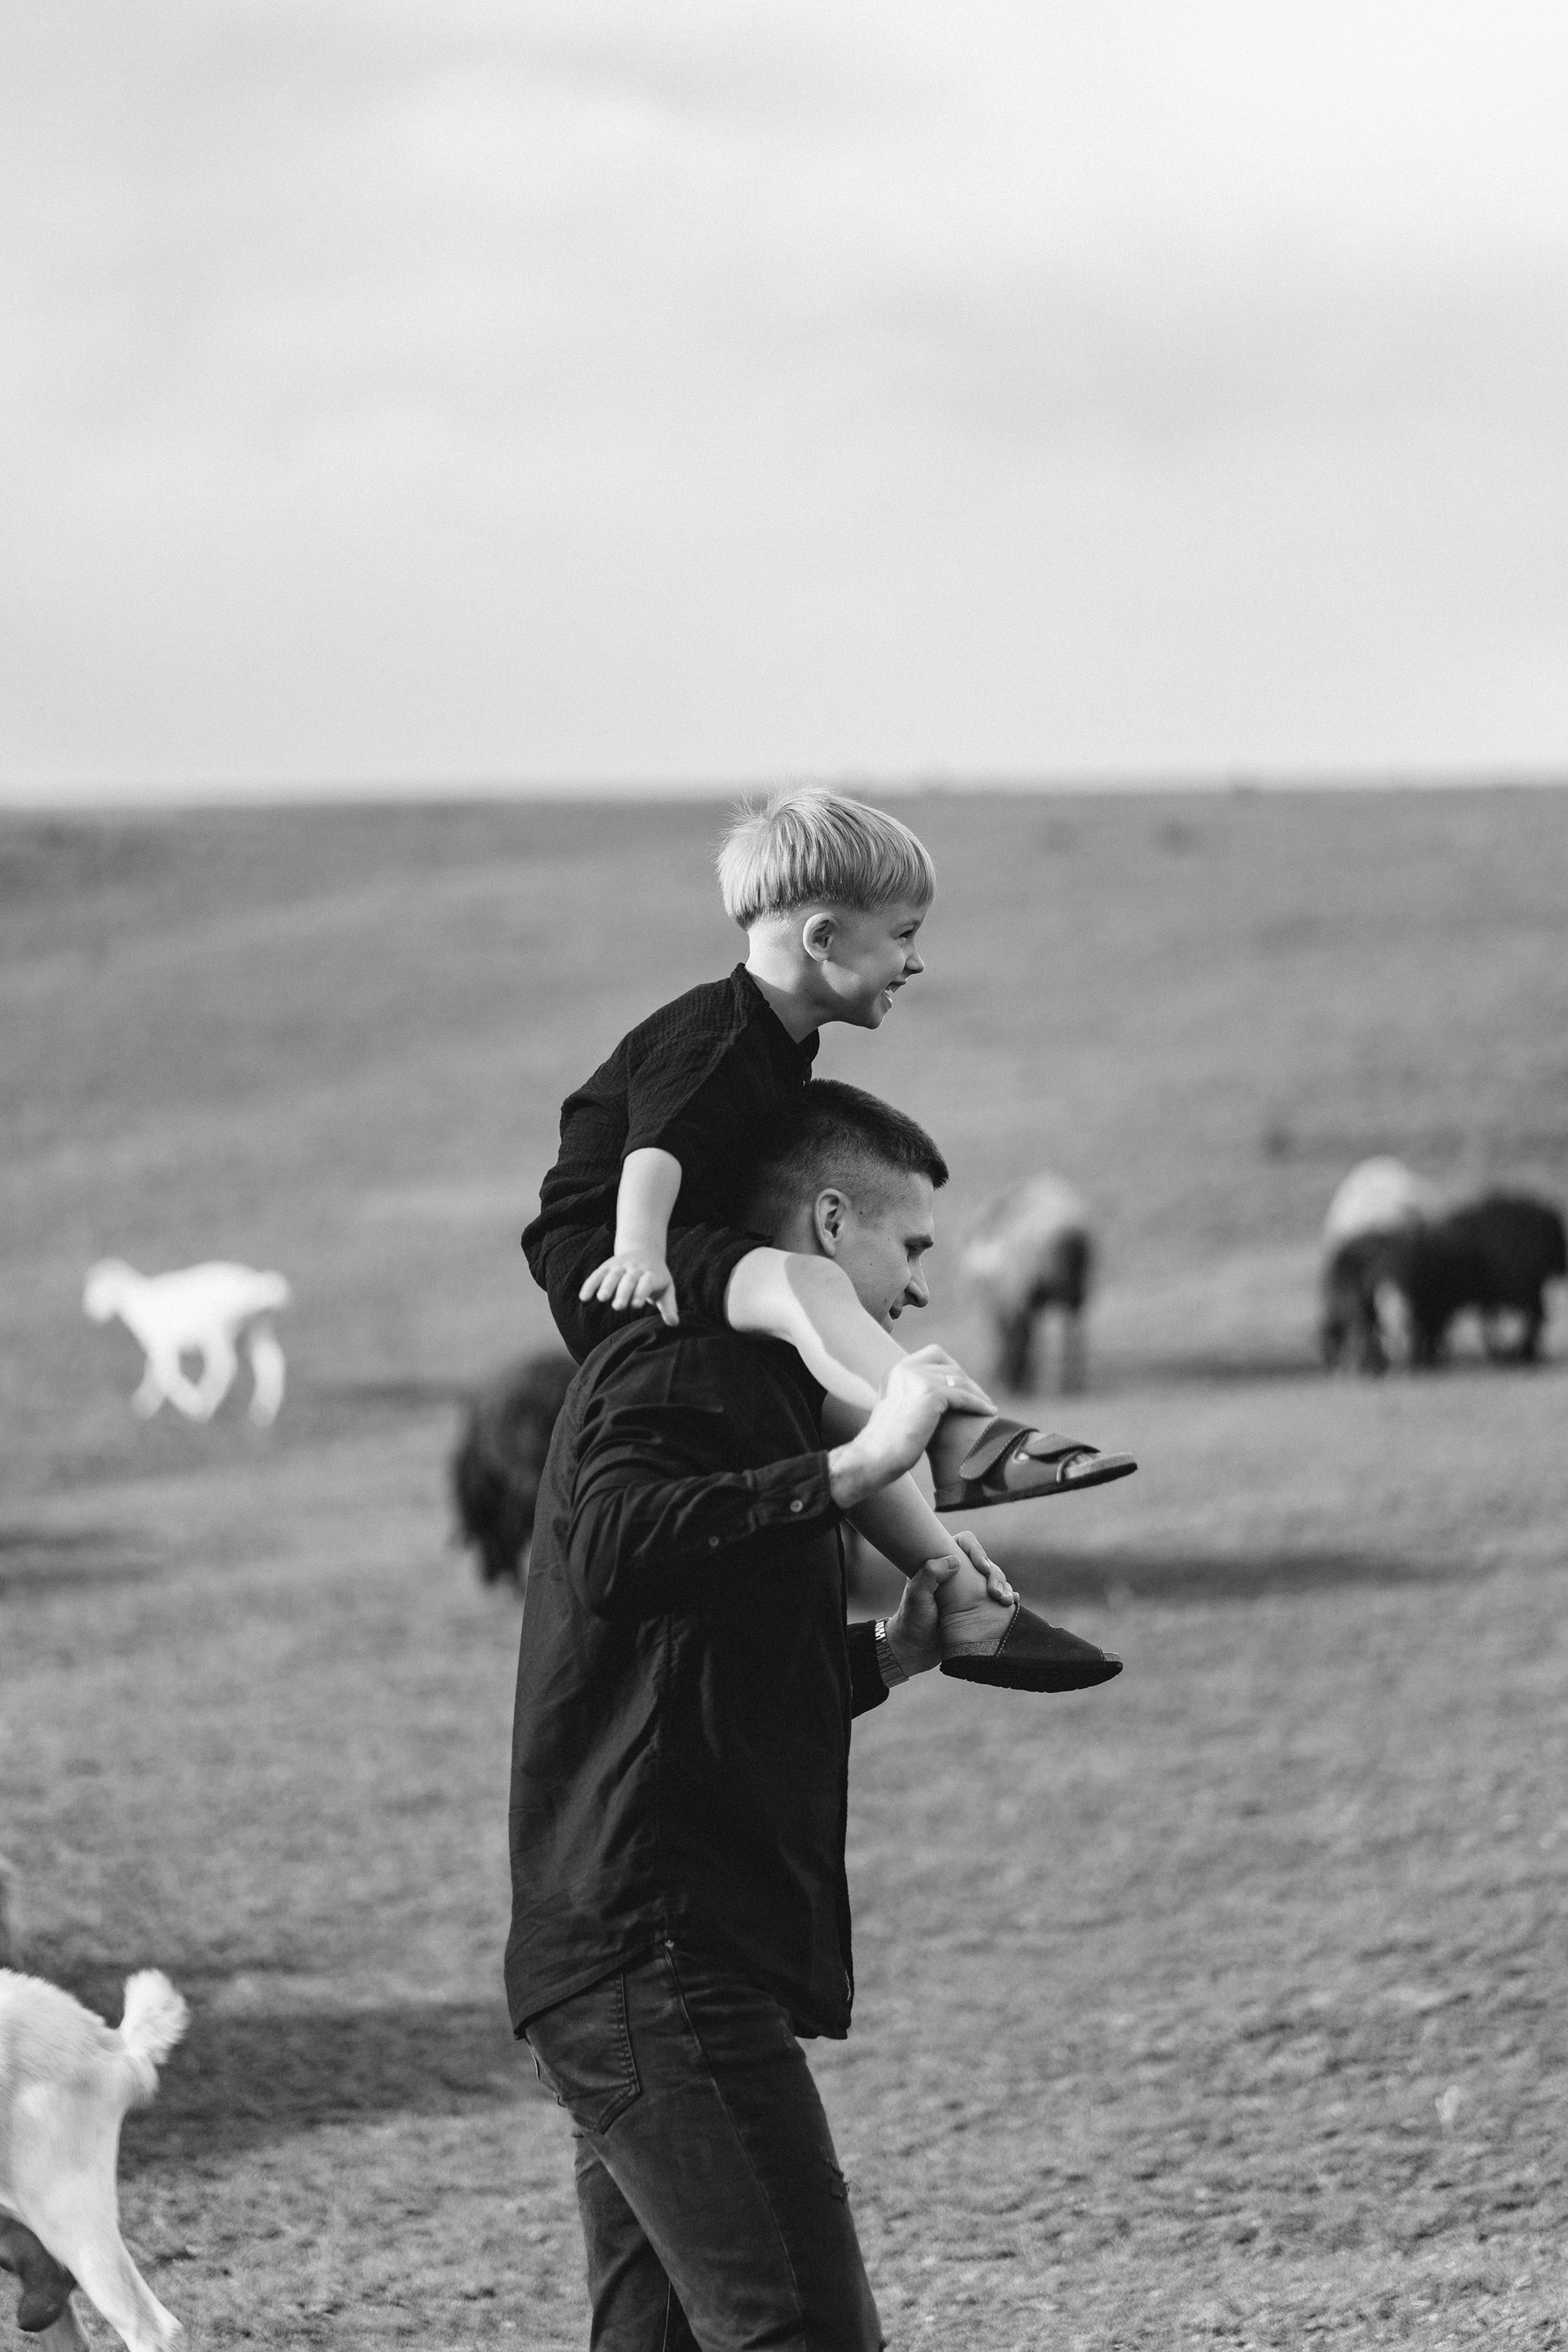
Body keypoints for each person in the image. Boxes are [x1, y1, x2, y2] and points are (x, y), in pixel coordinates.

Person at [506, 1082, 1122, 2351]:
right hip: (660, 1963)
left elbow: (687, 1673)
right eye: (911, 1248)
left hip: (636, 1965)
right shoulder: (688, 1358)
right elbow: (618, 1544)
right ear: (831, 1224)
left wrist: (890, 1656)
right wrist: (859, 1463)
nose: (922, 1289)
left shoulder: (751, 1389)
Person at [521, 787, 1134, 1674]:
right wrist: (641, 1251)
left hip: (661, 1247)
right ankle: (956, 1429)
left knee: (830, 1406)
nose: (916, 961)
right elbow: (655, 1152)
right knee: (807, 1282)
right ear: (822, 937)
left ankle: (963, 1598)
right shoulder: (720, 1036)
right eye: (904, 934)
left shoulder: (780, 1047)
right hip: (609, 1254)